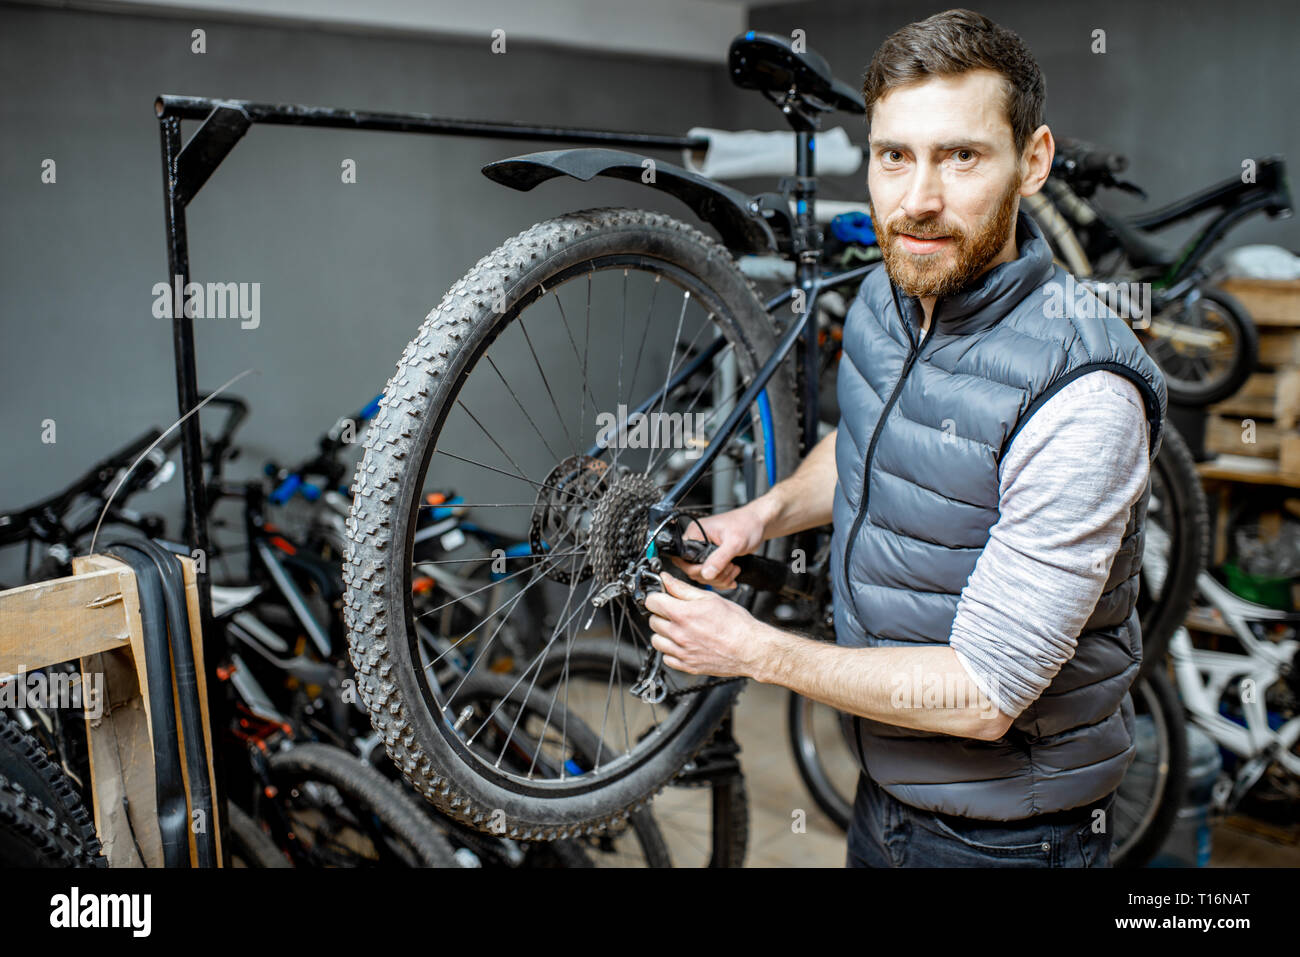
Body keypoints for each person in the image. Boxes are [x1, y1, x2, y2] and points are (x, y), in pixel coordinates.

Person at [642, 8, 1167, 867]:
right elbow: (870, 443)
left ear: (1031, 162)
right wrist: (762, 516)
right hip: (886, 792)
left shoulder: (1085, 392)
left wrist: (755, 651)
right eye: (896, 156)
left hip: (1010, 837)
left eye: (961, 156)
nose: (918, 199)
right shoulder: (893, 302)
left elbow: (986, 692)